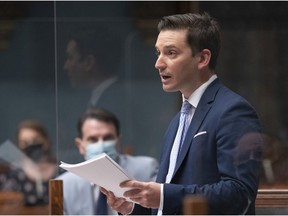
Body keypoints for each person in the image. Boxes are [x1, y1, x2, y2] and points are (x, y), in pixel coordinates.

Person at [101, 12, 263, 215]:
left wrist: (163, 195)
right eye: (158, 53)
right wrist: (132, 206)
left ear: (203, 58)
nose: (158, 63)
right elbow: (168, 203)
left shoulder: (233, 111)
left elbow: (240, 195)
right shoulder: (178, 120)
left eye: (171, 53)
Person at [57, 108, 159, 215]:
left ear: (118, 140)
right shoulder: (62, 185)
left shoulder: (147, 169)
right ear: (80, 145)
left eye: (107, 138)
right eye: (93, 139)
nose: (101, 144)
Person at [0, 119, 58, 205]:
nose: (31, 145)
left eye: (36, 140)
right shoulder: (13, 176)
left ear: (46, 141)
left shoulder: (61, 173)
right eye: (25, 142)